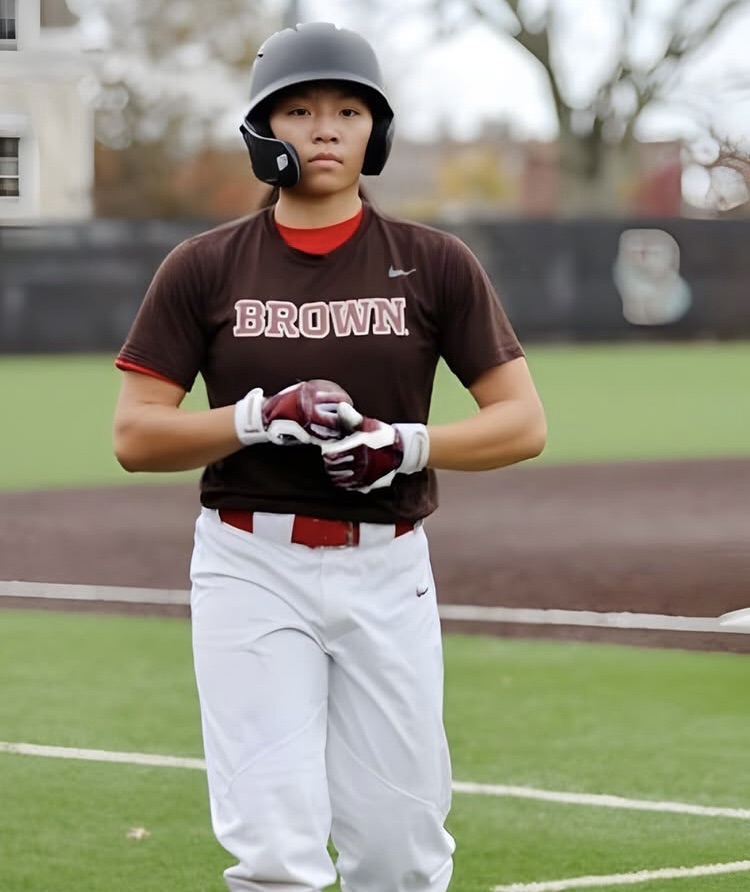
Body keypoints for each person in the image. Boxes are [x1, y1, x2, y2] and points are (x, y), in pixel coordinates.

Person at [112, 20, 546, 892]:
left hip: (387, 569)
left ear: (375, 134)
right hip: (249, 564)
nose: (324, 128)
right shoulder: (204, 267)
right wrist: (257, 417)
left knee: (401, 853)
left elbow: (522, 422)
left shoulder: (434, 264)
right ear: (262, 132)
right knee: (275, 854)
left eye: (349, 110)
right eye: (299, 109)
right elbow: (136, 434)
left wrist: (405, 445)